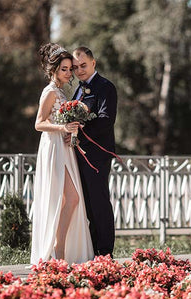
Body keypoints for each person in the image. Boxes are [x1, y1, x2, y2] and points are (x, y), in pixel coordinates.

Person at [30, 43, 94, 265]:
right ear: (54, 70)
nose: (69, 73)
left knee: (71, 199)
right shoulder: (49, 92)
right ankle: (58, 249)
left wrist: (73, 131)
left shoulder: (61, 92)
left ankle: (61, 250)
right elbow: (39, 123)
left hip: (64, 147)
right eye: (64, 69)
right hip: (53, 148)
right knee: (67, 198)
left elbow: (62, 120)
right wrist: (62, 129)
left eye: (70, 69)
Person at [69, 46, 117, 257]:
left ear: (93, 63)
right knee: (87, 204)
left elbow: (106, 120)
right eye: (76, 67)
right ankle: (93, 250)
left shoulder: (106, 86)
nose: (79, 70)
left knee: (99, 202)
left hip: (97, 155)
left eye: (83, 65)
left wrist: (81, 131)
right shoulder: (78, 90)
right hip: (79, 154)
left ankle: (105, 252)